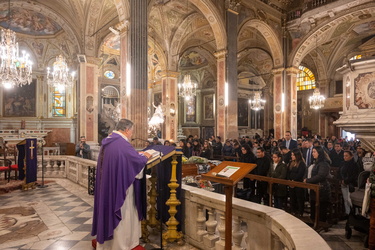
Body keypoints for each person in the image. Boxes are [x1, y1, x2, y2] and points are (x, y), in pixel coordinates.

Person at [91, 119, 152, 249]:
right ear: (126, 130)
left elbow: (124, 159)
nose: (131, 135)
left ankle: (108, 244)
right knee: (124, 213)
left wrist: (136, 155)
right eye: (132, 131)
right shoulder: (122, 144)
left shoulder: (109, 141)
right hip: (120, 188)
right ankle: (122, 244)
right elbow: (134, 163)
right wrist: (145, 156)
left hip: (108, 186)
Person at [304, 146, 331, 222]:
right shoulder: (316, 162)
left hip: (322, 189)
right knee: (313, 206)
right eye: (312, 152)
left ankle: (321, 222)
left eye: (314, 152)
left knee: (321, 208)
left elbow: (321, 176)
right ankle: (314, 220)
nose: (313, 154)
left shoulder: (324, 164)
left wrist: (308, 180)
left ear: (320, 153)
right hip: (314, 188)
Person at [287, 149, 306, 217]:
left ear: (297, 156)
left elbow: (300, 174)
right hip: (291, 183)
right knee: (292, 198)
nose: (291, 156)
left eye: (293, 155)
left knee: (299, 198)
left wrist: (294, 180)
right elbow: (288, 172)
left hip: (298, 183)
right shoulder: (291, 162)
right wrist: (289, 180)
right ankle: (293, 210)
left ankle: (300, 212)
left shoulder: (301, 163)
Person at [340, 150, 358, 216]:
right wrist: (342, 179)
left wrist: (346, 180)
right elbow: (340, 172)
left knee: (350, 199)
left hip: (351, 184)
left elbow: (354, 175)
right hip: (344, 184)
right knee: (345, 199)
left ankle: (355, 213)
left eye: (346, 156)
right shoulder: (343, 163)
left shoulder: (354, 164)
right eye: (344, 156)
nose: (345, 157)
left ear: (351, 156)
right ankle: (347, 212)